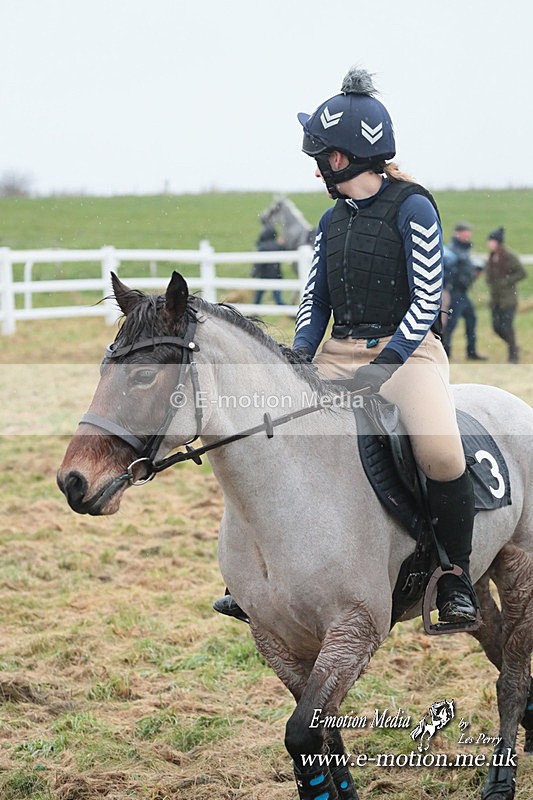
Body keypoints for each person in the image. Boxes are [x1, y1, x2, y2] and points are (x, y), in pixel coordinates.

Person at [214, 66, 479, 626]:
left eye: (321, 157)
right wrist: (297, 359)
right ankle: (260, 574)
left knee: (441, 453)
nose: (316, 169)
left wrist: (383, 366)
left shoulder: (414, 208)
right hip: (339, 353)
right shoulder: (330, 222)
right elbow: (315, 300)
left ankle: (454, 577)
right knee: (275, 428)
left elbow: (427, 299)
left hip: (408, 354)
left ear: (344, 157)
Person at [441, 223, 487, 360]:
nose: (468, 237)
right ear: (457, 233)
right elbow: (453, 272)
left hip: (463, 292)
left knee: (471, 319)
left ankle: (471, 351)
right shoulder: (452, 250)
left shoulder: (462, 249)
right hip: (455, 292)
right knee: (451, 324)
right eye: (465, 234)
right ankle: (446, 352)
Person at [485, 226, 526, 363]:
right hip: (496, 300)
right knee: (496, 327)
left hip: (508, 300)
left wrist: (506, 281)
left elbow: (522, 273)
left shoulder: (509, 257)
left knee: (507, 327)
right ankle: (513, 346)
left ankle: (513, 355)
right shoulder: (491, 258)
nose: (489, 244)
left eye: (491, 241)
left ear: (498, 242)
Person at [251, 224, 285, 305]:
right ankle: (292, 312)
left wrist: (253, 274)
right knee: (278, 300)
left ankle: (252, 315)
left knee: (257, 300)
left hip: (264, 277)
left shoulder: (262, 247)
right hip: (276, 276)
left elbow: (258, 264)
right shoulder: (278, 246)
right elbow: (285, 249)